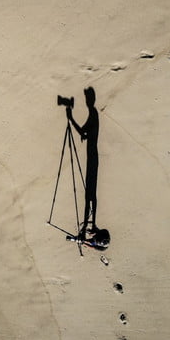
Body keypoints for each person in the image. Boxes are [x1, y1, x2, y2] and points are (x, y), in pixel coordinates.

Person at [66, 87, 99, 240]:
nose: (86, 101)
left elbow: (82, 132)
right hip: (92, 157)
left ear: (91, 99)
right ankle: (89, 225)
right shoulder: (93, 113)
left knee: (90, 194)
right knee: (90, 193)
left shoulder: (93, 113)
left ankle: (90, 225)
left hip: (92, 159)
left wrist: (71, 118)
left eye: (87, 98)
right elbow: (84, 131)